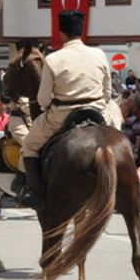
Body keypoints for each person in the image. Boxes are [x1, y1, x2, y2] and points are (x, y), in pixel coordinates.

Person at [15, 11, 115, 211]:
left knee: (29, 145)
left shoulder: (53, 59)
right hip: (97, 111)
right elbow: (107, 91)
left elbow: (43, 100)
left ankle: (34, 193)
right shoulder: (99, 54)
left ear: (62, 33)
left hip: (63, 115)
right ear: (82, 30)